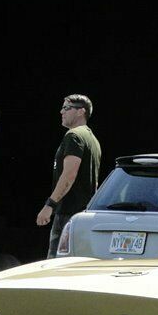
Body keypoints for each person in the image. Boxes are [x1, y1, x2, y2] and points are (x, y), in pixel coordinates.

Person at [36, 94, 101, 258]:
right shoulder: (92, 139)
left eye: (66, 108)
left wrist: (50, 205)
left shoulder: (74, 136)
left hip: (68, 214)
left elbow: (69, 175)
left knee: (56, 265)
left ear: (81, 111)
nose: (61, 112)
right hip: (83, 215)